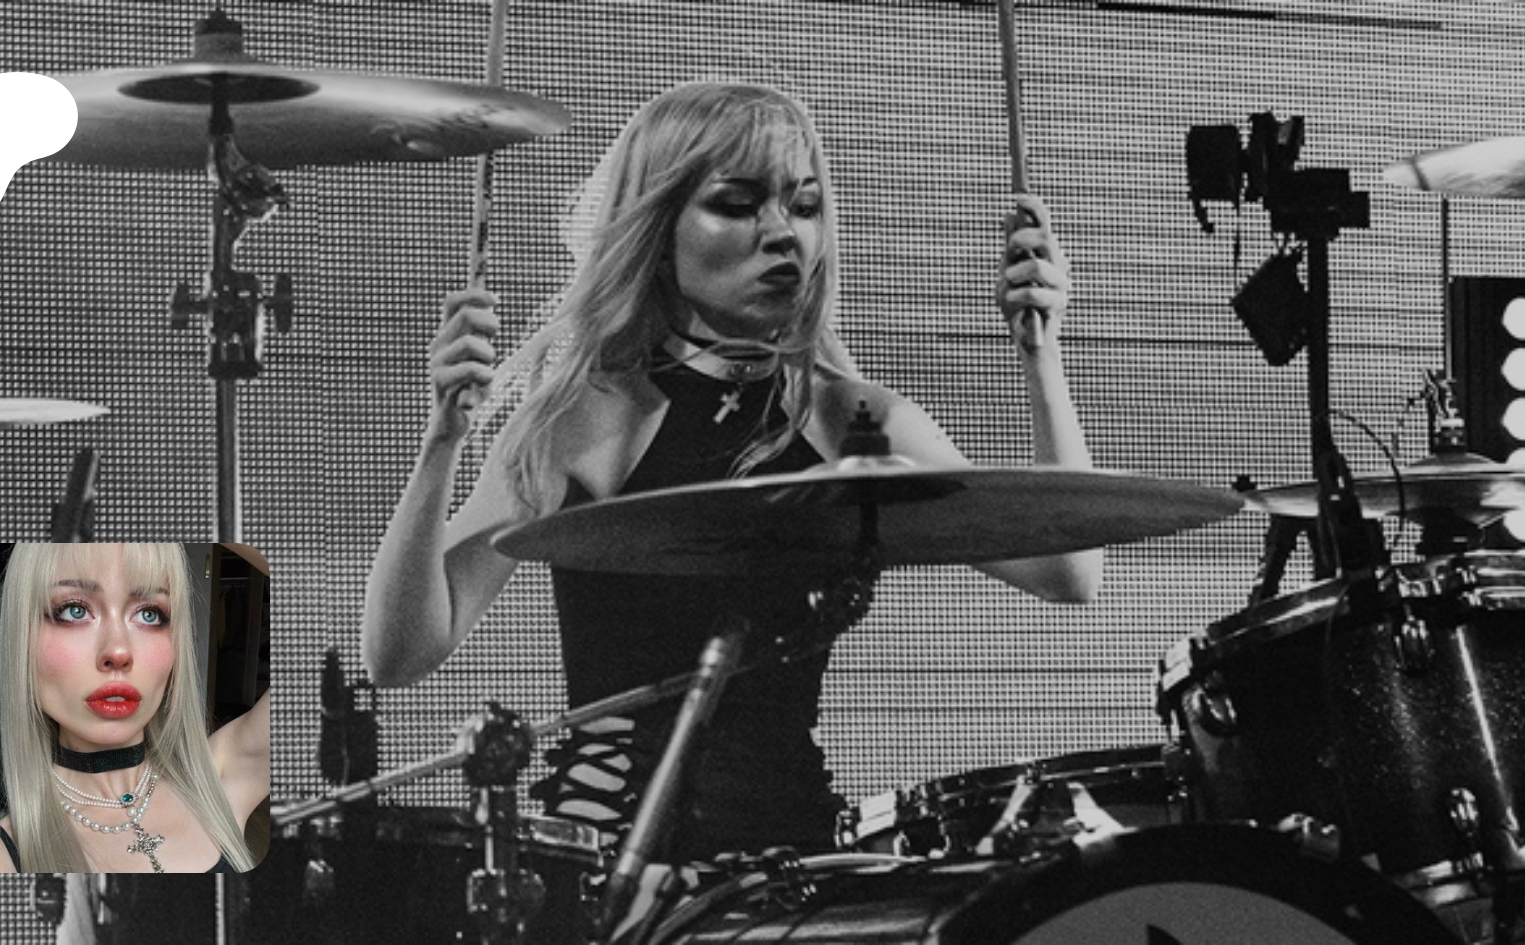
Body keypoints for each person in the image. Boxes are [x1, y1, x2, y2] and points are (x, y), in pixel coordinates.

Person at [362, 80, 1101, 864]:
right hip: (610, 864)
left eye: (804, 205)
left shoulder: (852, 420)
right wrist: (442, 440)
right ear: (657, 228)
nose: (783, 233)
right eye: (738, 203)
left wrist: (1041, 353)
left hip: (791, 863)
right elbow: (398, 654)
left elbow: (1068, 569)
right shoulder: (586, 418)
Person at [0, 543, 269, 873]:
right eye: (74, 610)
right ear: (23, 638)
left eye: (149, 614)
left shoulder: (222, 778)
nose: (118, 651)